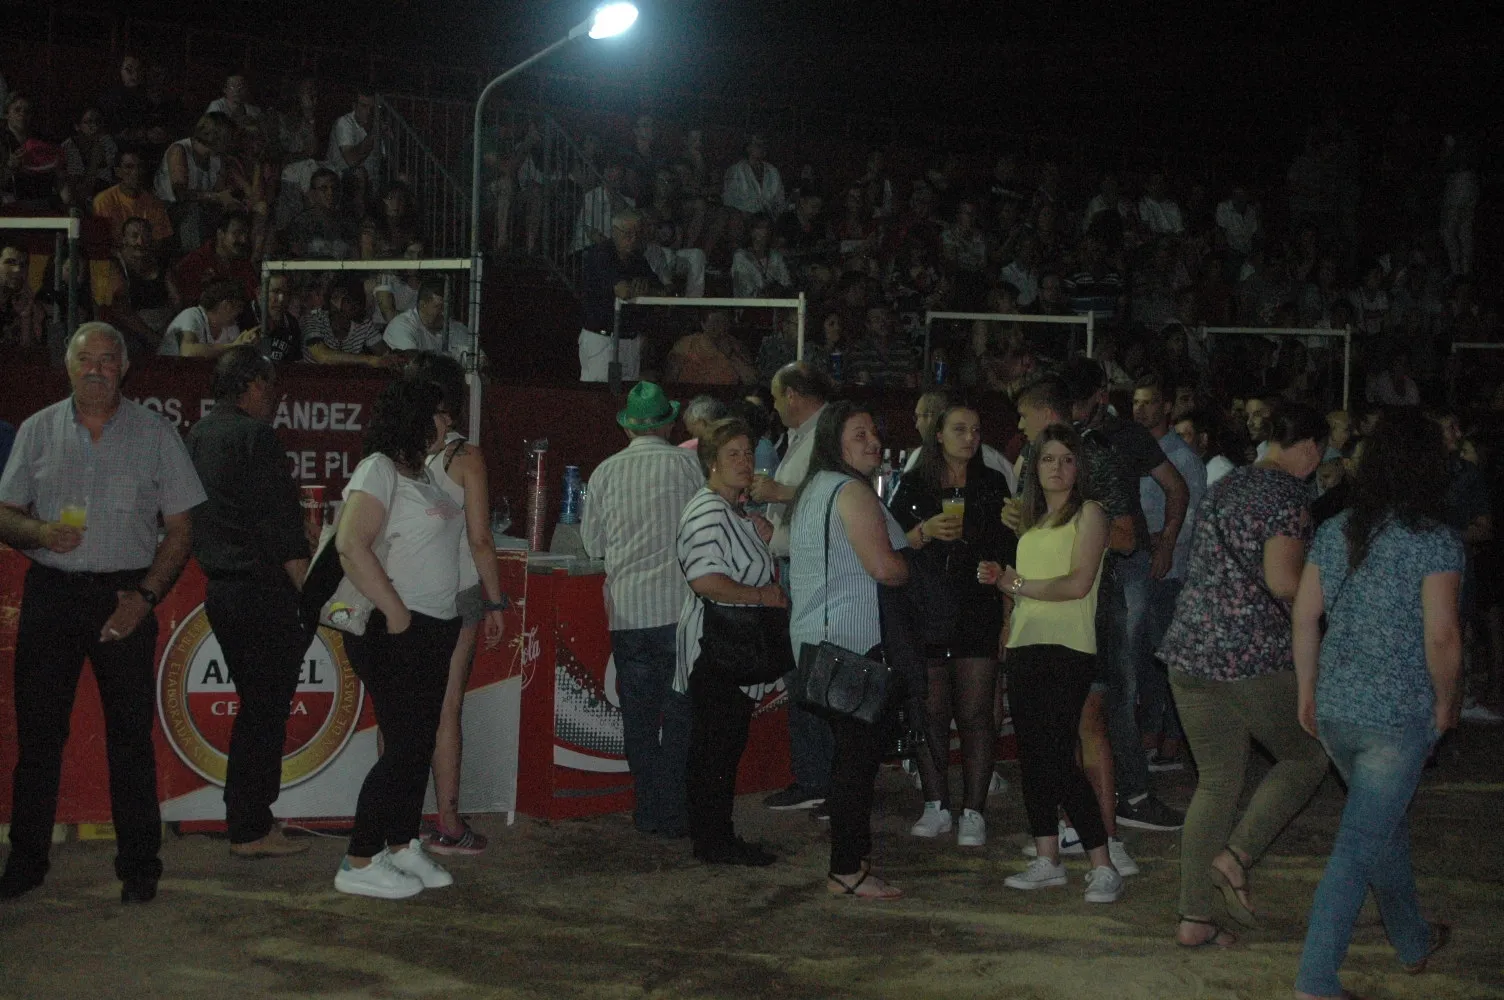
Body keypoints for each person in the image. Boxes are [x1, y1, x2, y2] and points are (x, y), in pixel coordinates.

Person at [0, 323, 206, 903]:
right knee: (39, 737)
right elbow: (3, 513)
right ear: (68, 366)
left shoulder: (156, 434)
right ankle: (26, 862)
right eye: (85, 358)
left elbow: (182, 529)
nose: (96, 369)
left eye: (108, 359)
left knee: (130, 739)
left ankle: (139, 867)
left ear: (125, 368)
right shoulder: (37, 430)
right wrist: (38, 532)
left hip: (125, 597)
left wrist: (144, 598)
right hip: (52, 594)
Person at [1291, 413, 1461, 997]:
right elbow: (1442, 635)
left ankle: (1412, 940)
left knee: (1380, 829)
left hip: (1338, 707)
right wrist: (1447, 703)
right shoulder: (1436, 541)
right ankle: (1316, 981)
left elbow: (1305, 615)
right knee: (1359, 846)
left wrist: (1307, 690)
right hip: (1397, 715)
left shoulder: (1338, 527)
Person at [1158, 401, 1332, 948]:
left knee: (1216, 782)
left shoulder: (1227, 484)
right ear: (1309, 447)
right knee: (1309, 755)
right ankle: (1236, 855)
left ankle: (1195, 917)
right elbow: (1283, 580)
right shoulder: (1287, 494)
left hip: (1191, 651)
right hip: (1249, 657)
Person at [331, 377, 465, 899]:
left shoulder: (423, 473)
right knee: (405, 746)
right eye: (439, 413)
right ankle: (360, 859)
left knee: (417, 742)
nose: (448, 422)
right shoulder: (379, 469)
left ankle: (402, 844)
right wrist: (396, 612)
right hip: (396, 629)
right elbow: (350, 544)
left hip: (434, 627)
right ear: (413, 418)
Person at [981, 424, 1123, 902]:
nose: (1057, 468)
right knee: (1033, 754)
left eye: (1066, 459)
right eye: (1048, 459)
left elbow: (1078, 583)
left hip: (1068, 646)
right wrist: (1005, 588)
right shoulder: (1032, 522)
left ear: (1079, 467)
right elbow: (1027, 586)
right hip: (1026, 642)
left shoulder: (1091, 513)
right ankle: (1048, 856)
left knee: (1058, 755)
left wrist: (1016, 584)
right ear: (1034, 468)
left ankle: (1102, 861)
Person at [184, 347, 310, 859]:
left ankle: (249, 819)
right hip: (262, 592)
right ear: (252, 385)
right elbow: (282, 527)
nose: (276, 396)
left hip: (222, 589)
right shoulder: (256, 437)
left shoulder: (198, 435)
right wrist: (312, 592)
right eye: (271, 385)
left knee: (256, 708)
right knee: (265, 712)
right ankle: (251, 826)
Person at [788, 402, 910, 899]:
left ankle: (852, 860)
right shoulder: (850, 490)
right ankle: (846, 868)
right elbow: (884, 568)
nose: (873, 441)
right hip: (851, 644)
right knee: (856, 763)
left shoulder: (814, 489)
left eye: (874, 432)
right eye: (859, 434)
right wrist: (913, 570)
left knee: (849, 758)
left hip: (817, 641)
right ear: (833, 441)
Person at [1061, 358, 1188, 834]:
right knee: (1096, 686)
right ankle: (1112, 794)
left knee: (1119, 681)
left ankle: (1126, 792)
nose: (1077, 409)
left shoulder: (1126, 436)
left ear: (1101, 393)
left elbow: (1176, 488)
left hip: (1120, 564)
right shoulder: (1060, 437)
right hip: (1081, 566)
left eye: (1082, 400)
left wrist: (1166, 542)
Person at [581, 383, 704, 838]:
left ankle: (649, 809)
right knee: (680, 715)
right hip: (679, 610)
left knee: (639, 718)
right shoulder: (688, 465)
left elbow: (592, 544)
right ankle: (674, 810)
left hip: (629, 613)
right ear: (668, 425)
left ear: (629, 428)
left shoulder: (604, 472)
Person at [889, 400, 1012, 847]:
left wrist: (1008, 615)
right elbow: (891, 543)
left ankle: (974, 811)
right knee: (931, 712)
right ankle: (936, 804)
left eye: (976, 430)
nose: (970, 438)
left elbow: (1008, 550)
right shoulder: (914, 483)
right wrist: (923, 533)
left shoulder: (992, 483)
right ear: (938, 435)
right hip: (927, 608)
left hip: (977, 607)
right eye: (960, 429)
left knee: (977, 713)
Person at [674, 417, 782, 866]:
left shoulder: (731, 511)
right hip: (716, 646)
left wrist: (762, 535)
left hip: (730, 644)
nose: (744, 462)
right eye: (732, 454)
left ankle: (714, 835)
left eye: (748, 453)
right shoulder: (708, 511)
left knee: (720, 745)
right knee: (716, 747)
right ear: (711, 463)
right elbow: (704, 580)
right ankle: (714, 840)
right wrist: (762, 596)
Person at [749, 362, 834, 810]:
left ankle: (818, 780)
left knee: (810, 675)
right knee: (802, 675)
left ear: (794, 396)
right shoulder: (803, 436)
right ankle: (815, 777)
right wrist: (774, 529)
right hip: (794, 562)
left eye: (777, 396)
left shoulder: (827, 433)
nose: (775, 406)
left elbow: (838, 493)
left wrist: (779, 494)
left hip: (812, 572)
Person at [1131, 376, 1207, 771]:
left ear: (1166, 408)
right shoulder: (1136, 449)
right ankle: (1150, 732)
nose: (1140, 409)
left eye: (1149, 402)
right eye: (1136, 402)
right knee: (1146, 657)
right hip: (1140, 565)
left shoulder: (1182, 457)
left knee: (1169, 657)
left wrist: (1165, 548)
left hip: (1171, 570)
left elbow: (1191, 517)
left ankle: (1174, 739)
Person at [577, 209, 665, 383]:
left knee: (628, 394)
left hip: (629, 340)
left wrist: (645, 290)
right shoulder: (600, 254)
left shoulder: (637, 260)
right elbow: (623, 291)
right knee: (599, 394)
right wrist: (638, 288)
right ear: (614, 232)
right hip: (601, 340)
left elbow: (662, 293)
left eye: (637, 234)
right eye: (628, 234)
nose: (633, 239)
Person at [93, 216, 179, 359]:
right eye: (134, 236)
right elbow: (122, 311)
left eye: (145, 236)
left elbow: (177, 301)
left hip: (165, 325)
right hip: (132, 330)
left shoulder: (161, 262)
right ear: (124, 239)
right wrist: (153, 338)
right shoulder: (115, 265)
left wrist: (168, 330)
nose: (140, 242)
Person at [154, 112, 237, 252]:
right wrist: (216, 197)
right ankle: (194, 258)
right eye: (230, 138)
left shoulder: (217, 158)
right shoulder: (179, 150)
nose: (232, 143)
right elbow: (181, 194)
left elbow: (220, 191)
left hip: (202, 207)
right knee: (193, 212)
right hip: (168, 209)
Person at [170, 210, 258, 308]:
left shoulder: (242, 261)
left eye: (246, 234)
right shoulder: (196, 260)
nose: (243, 240)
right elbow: (188, 300)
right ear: (220, 234)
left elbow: (252, 293)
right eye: (237, 233)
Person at [382, 280, 480, 364]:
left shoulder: (456, 328)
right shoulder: (401, 326)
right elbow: (414, 365)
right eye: (439, 307)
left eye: (449, 307)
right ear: (422, 305)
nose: (445, 313)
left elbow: (478, 361)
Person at [93, 148, 174, 248]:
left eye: (140, 167)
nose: (136, 172)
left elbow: (160, 242)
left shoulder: (154, 203)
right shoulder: (103, 201)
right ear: (118, 171)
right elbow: (100, 242)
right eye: (129, 167)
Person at [304, 275, 391, 366]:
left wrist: (392, 358)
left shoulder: (363, 324)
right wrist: (369, 360)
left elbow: (385, 354)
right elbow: (322, 356)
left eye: (358, 302)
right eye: (348, 300)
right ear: (333, 299)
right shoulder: (313, 320)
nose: (354, 307)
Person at [161, 280, 258, 359]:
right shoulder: (192, 315)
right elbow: (187, 351)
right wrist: (233, 346)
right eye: (239, 307)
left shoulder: (231, 328)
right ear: (225, 305)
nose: (240, 312)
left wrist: (247, 345)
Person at [663, 310, 758, 385]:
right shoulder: (686, 345)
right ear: (703, 324)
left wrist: (730, 355)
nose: (719, 329)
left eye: (723, 323)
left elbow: (752, 381)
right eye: (714, 323)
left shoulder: (736, 346)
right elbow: (670, 381)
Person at [61, 106, 119, 199]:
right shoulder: (69, 146)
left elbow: (105, 179)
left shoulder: (106, 142)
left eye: (98, 121)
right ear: (77, 126)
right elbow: (75, 183)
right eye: (89, 122)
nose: (94, 126)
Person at [0, 238, 46, 350]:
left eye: (23, 265)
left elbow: (29, 352)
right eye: (10, 262)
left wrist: (26, 317)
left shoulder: (29, 303)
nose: (17, 269)